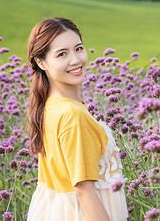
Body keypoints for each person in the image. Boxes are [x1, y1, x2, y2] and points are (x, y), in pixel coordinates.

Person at [26, 17, 128, 221]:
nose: (75, 60)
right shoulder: (72, 115)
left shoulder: (51, 107)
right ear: (41, 62)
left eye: (78, 48)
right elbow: (84, 192)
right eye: (62, 54)